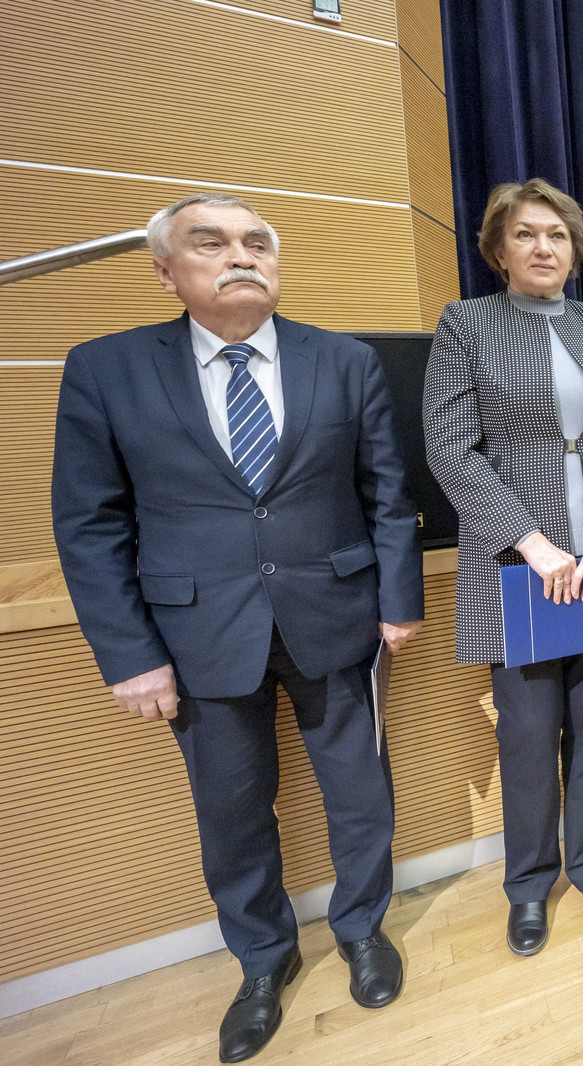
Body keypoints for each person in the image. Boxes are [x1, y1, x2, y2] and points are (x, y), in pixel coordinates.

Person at [51, 193, 425, 1062]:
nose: (240, 256)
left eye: (256, 242)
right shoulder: (106, 369)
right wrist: (130, 655)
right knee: (231, 811)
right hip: (198, 637)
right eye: (211, 243)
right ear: (166, 271)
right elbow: (90, 524)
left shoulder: (344, 361)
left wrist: (399, 600)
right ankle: (262, 960)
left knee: (360, 795)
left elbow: (387, 492)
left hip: (337, 620)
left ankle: (362, 928)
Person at [424, 179, 583, 958]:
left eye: (556, 234)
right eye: (525, 234)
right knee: (528, 737)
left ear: (574, 248)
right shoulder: (465, 324)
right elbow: (450, 449)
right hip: (517, 567)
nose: (542, 247)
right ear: (498, 250)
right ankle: (529, 885)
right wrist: (532, 543)